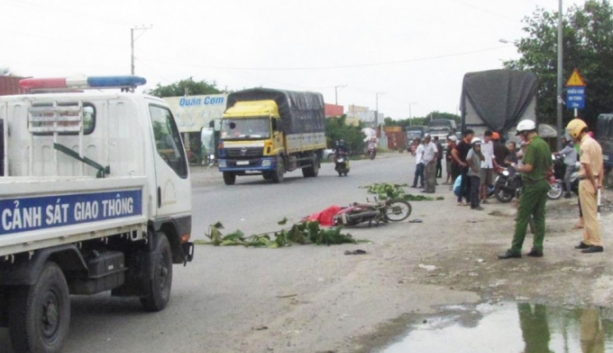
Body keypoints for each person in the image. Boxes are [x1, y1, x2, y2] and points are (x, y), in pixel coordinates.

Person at [498, 120, 551, 259]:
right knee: (539, 217)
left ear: (526, 132)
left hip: (532, 184)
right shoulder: (544, 144)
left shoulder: (532, 145)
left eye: (522, 134)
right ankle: (538, 247)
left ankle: (516, 249)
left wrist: (517, 168)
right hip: (543, 183)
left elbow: (528, 167)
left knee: (522, 218)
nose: (521, 137)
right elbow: (549, 167)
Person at [568, 118, 604, 254]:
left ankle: (596, 242)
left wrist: (593, 183)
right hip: (593, 180)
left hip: (586, 181)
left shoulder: (585, 146)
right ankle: (587, 239)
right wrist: (599, 183)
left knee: (589, 214)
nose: (571, 137)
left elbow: (586, 165)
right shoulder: (595, 144)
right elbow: (601, 166)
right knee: (590, 211)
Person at [452, 129, 474, 206]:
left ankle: (468, 199)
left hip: (470, 166)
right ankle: (459, 199)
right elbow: (453, 152)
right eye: (471, 135)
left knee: (469, 183)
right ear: (467, 135)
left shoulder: (470, 144)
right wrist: (460, 162)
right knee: (463, 183)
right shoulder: (462, 144)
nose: (472, 137)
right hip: (464, 166)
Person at [467, 137, 485, 210]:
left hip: (478, 173)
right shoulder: (471, 151)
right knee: (474, 189)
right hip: (473, 173)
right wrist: (472, 167)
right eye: (477, 145)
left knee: (476, 188)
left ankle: (474, 204)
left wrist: (480, 152)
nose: (478, 147)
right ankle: (475, 204)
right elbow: (468, 159)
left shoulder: (478, 152)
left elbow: (483, 158)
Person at [480, 130, 497, 204]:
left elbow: (492, 154)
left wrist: (495, 164)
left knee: (487, 182)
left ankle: (484, 198)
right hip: (482, 164)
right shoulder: (480, 143)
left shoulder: (491, 143)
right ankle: (479, 197)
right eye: (488, 136)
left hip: (489, 164)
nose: (489, 138)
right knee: (481, 182)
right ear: (485, 136)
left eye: (490, 137)